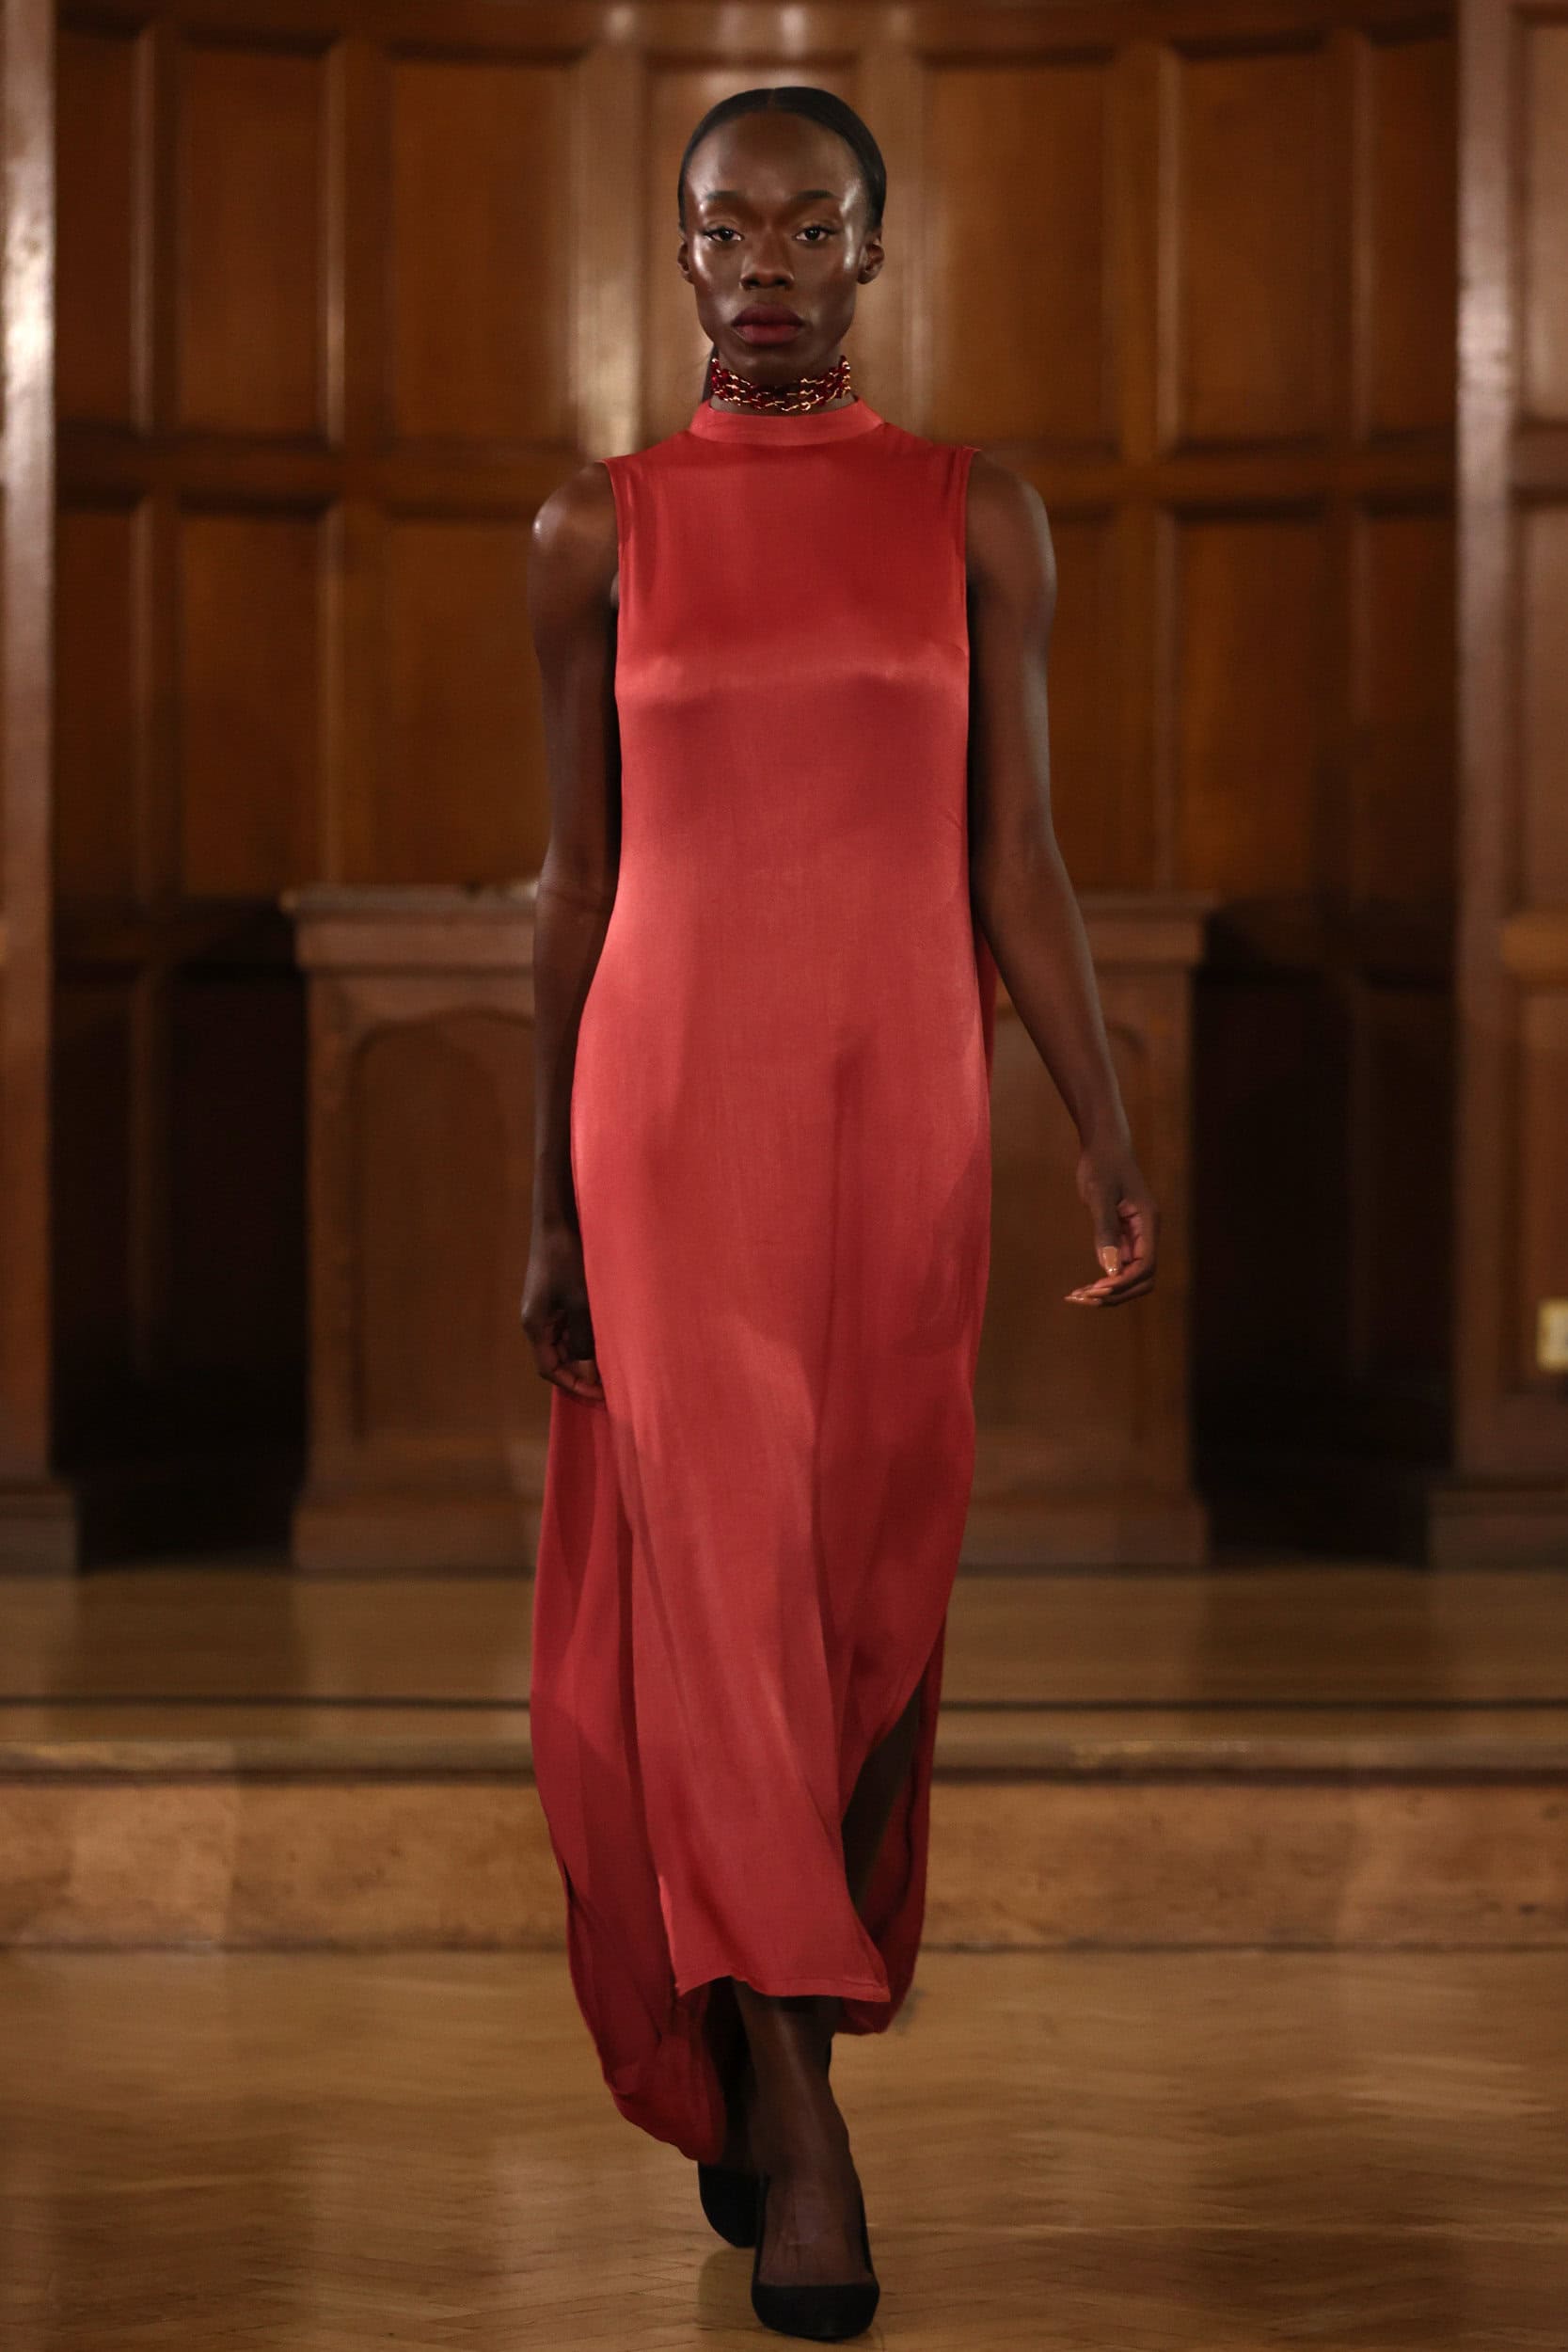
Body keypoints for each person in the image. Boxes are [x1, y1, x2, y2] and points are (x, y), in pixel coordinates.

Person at [523, 84, 1157, 2343]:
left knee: (868, 1598)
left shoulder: (979, 514)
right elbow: (577, 883)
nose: (766, 262)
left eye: (810, 225)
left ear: (875, 252)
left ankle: (756, 2007)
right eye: (727, 227)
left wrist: (1102, 1116)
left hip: (904, 1107)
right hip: (669, 1113)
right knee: (714, 1593)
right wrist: (549, 1203)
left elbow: (1020, 853)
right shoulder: (593, 530)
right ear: (682, 253)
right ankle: (803, 2128)